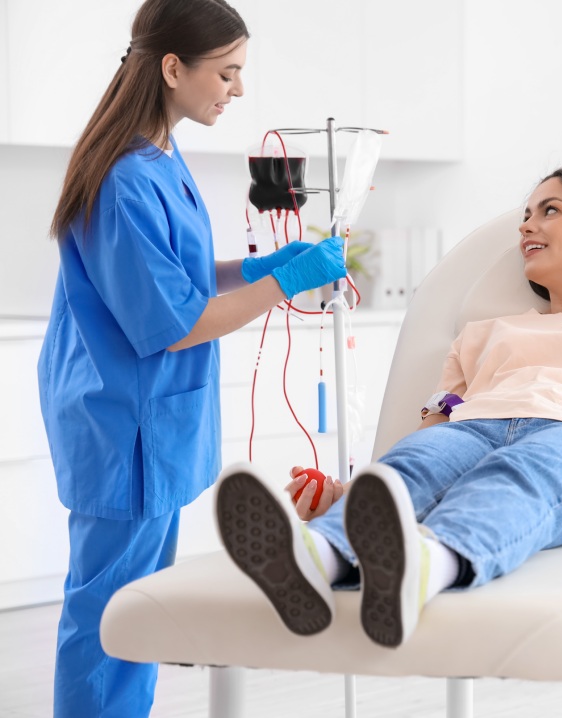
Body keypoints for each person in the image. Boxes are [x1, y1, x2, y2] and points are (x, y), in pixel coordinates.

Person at [215, 167, 562, 649]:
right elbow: (429, 436)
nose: (526, 227)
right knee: (416, 466)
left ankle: (426, 566)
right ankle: (316, 557)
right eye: (525, 215)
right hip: (478, 427)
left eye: (549, 210)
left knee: (516, 473)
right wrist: (347, 496)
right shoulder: (484, 333)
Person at [37, 1, 347, 715]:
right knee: (110, 610)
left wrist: (258, 265)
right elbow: (175, 324)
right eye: (227, 72)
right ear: (173, 68)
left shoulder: (157, 154)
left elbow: (175, 275)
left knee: (133, 601)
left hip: (142, 415)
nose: (236, 90)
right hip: (124, 424)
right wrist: (283, 285)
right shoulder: (124, 175)